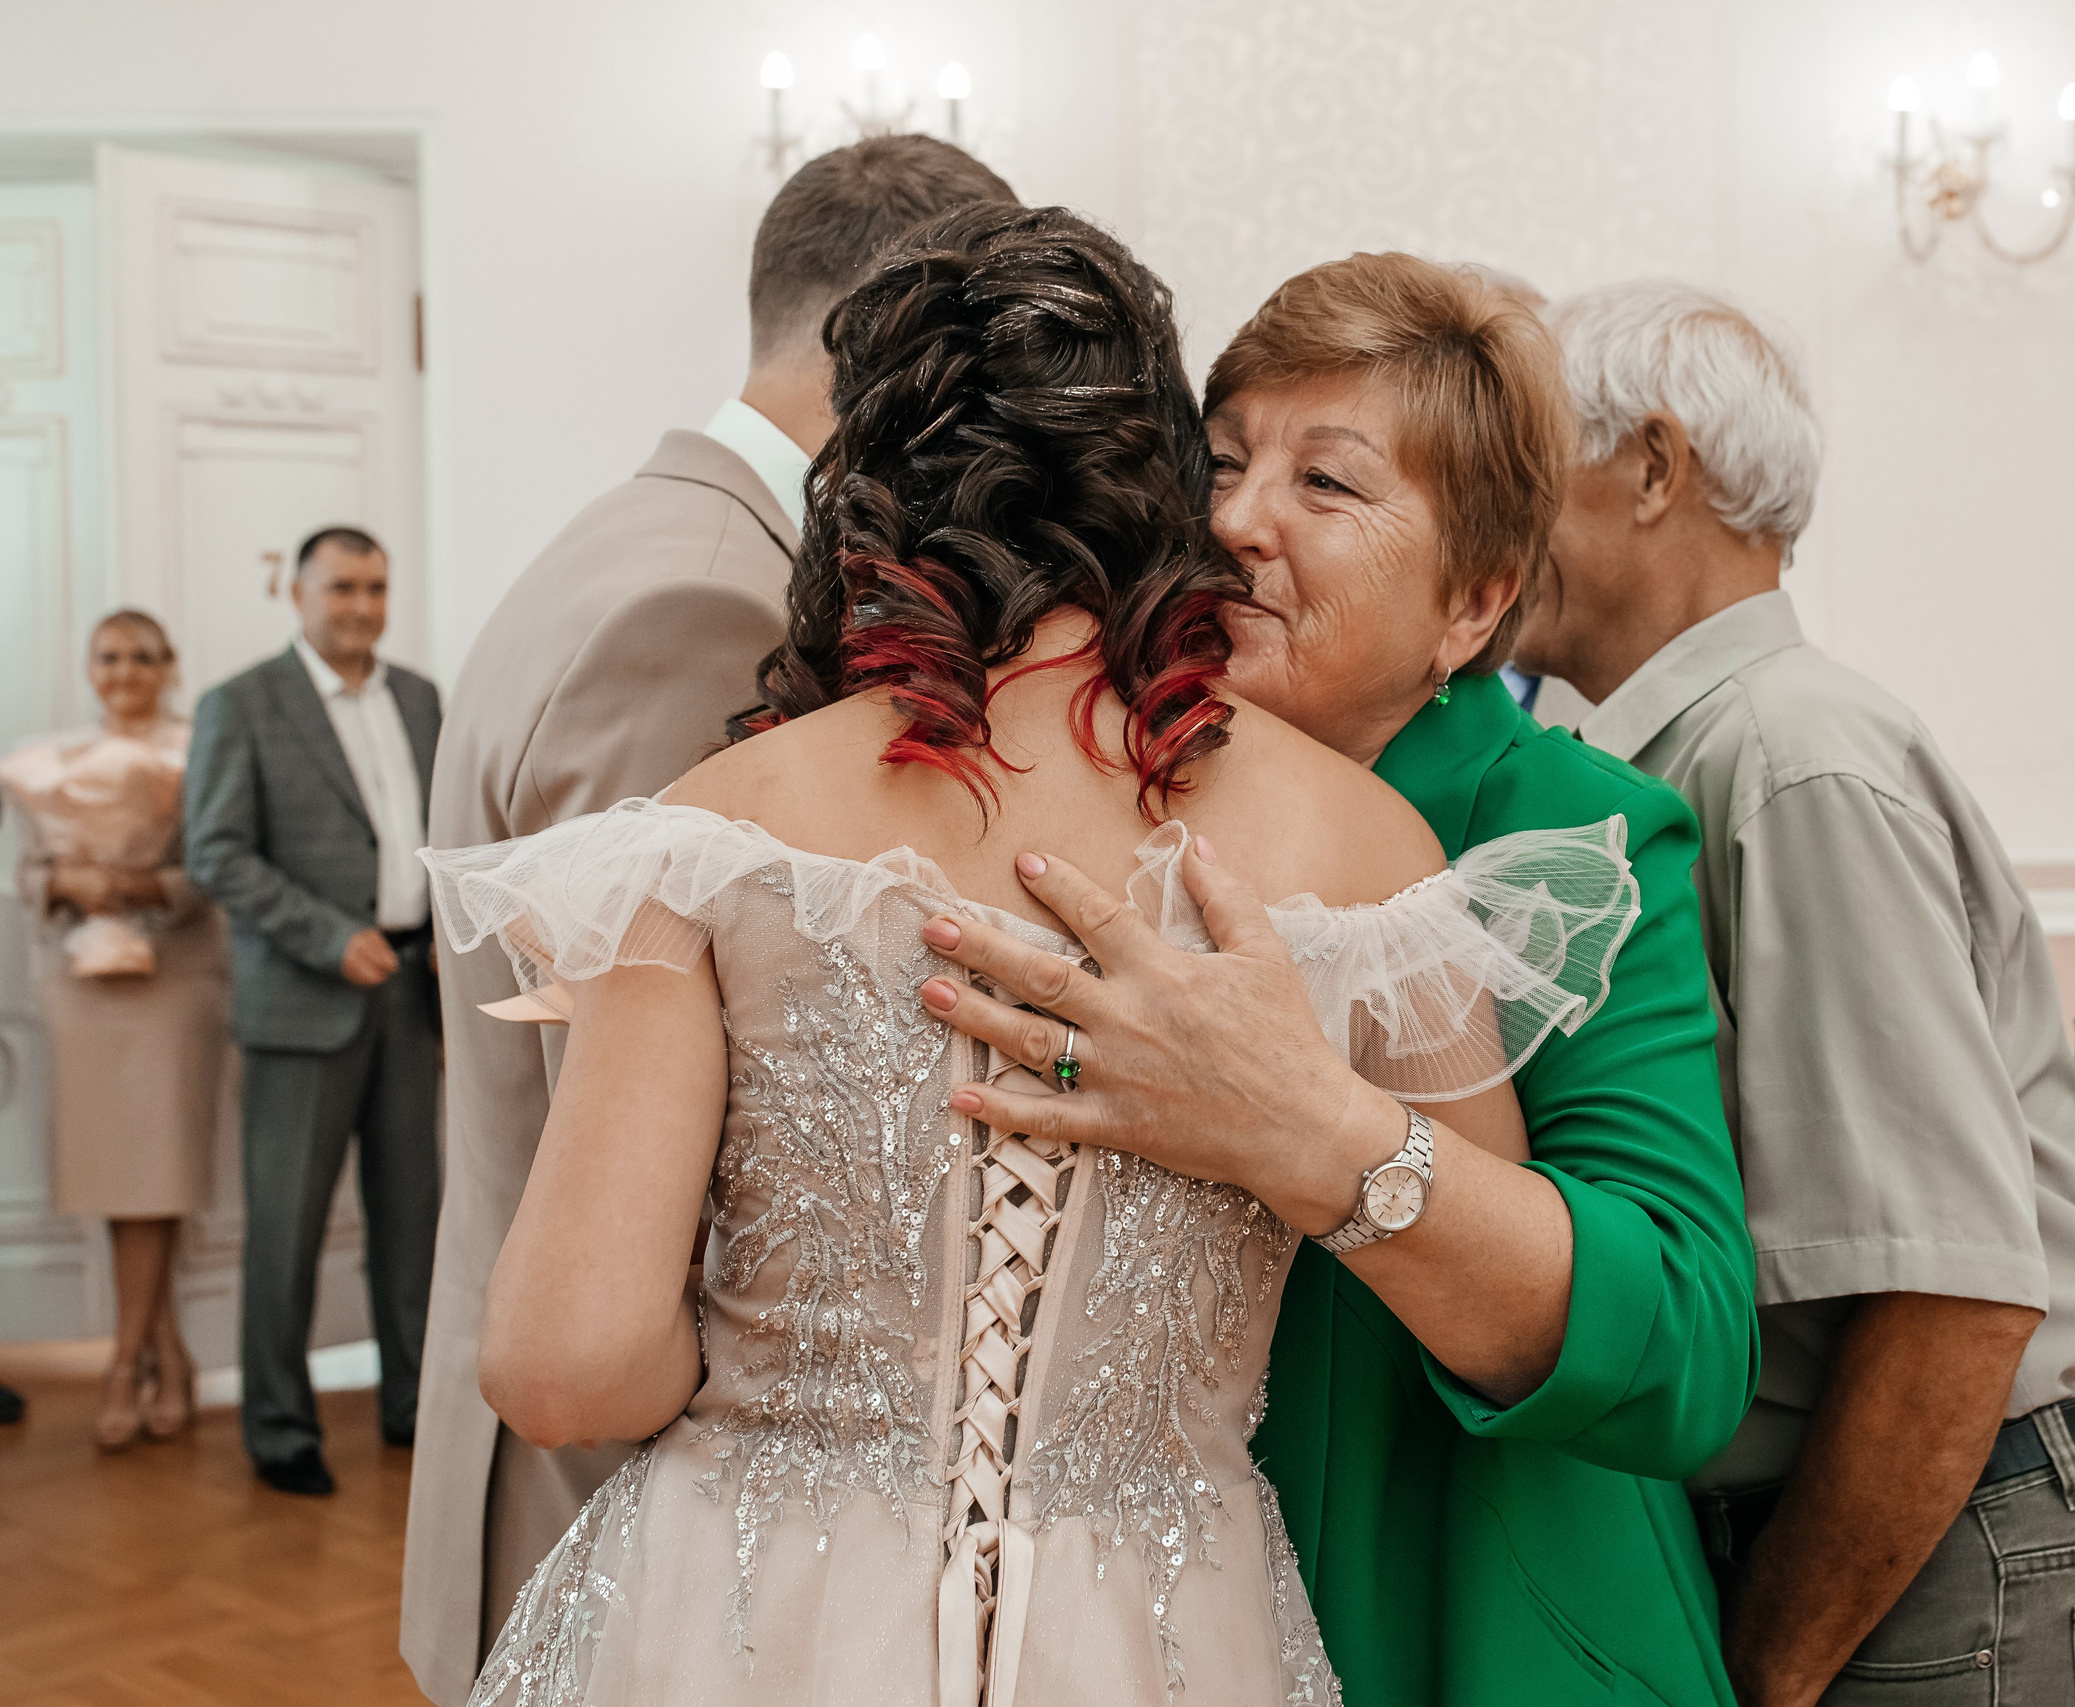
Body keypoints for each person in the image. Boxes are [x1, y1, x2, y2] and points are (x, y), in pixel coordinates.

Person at [424, 202, 1631, 1706]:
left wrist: (782, 1398)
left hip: (744, 1609)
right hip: (1170, 1623)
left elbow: (565, 1362)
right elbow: (1493, 1274)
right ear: (1166, 486)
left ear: (863, 491)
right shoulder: (1368, 846)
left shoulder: (717, 829)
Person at [923, 253, 1762, 1704]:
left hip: (1470, 1612)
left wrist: (1311, 1129)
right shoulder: (1086, 786)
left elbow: (1684, 1341)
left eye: (1329, 485)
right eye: (1226, 461)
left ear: (1474, 600)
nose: (1236, 522)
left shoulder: (1565, 826)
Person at [402, 135, 1018, 1702]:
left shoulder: (642, 537)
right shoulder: (710, 606)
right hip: (615, 1480)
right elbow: (632, 1120)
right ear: (889, 337)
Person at [1508, 280, 2075, 1704]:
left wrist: (1771, 1666)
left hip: (1959, 1529)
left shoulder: (1791, 760)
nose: (1489, 525)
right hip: (1904, 1515)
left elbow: (1954, 1297)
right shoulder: (1684, 755)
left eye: (1521, 464)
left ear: (1655, 467)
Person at [186, 525, 442, 1497]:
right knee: (286, 1224)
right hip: (305, 994)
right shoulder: (240, 705)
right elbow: (216, 852)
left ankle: (411, 1402)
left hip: (410, 996)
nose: (361, 607)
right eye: (341, 588)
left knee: (412, 1216)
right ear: (295, 593)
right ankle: (282, 1426)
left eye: (375, 588)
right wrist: (326, 935)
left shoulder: (418, 696)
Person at [1, 610, 226, 1451]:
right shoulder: (48, 759)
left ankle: (123, 1361)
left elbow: (215, 864)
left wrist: (143, 883)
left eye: (140, 655)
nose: (124, 669)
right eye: (108, 656)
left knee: (155, 1175)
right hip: (80, 985)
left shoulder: (198, 746)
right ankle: (166, 1351)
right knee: (115, 1176)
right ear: (88, 668)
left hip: (171, 980)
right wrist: (67, 876)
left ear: (168, 665)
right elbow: (26, 871)